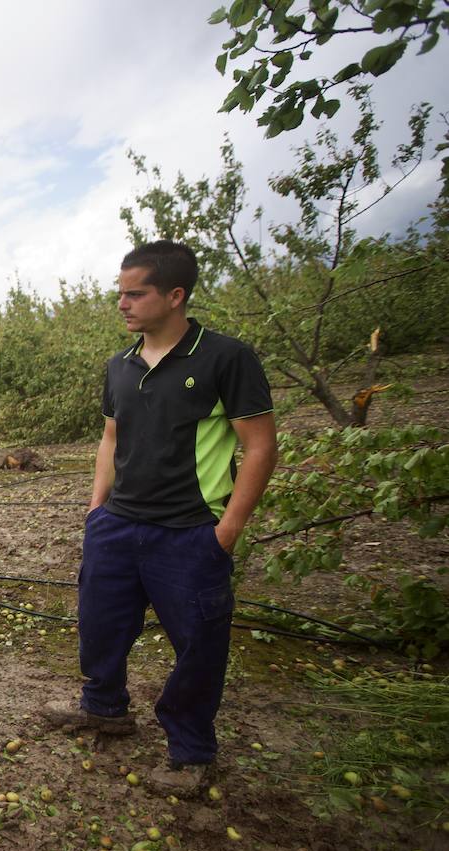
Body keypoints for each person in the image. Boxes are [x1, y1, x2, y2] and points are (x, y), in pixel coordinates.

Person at [42, 240, 278, 794]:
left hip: (190, 531)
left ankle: (191, 750)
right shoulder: (118, 366)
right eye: (119, 293)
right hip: (117, 526)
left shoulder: (225, 357)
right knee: (99, 626)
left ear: (175, 296)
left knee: (199, 643)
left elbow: (261, 448)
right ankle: (104, 707)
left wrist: (227, 531)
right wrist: (96, 509)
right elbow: (109, 437)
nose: (122, 304)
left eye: (135, 294)